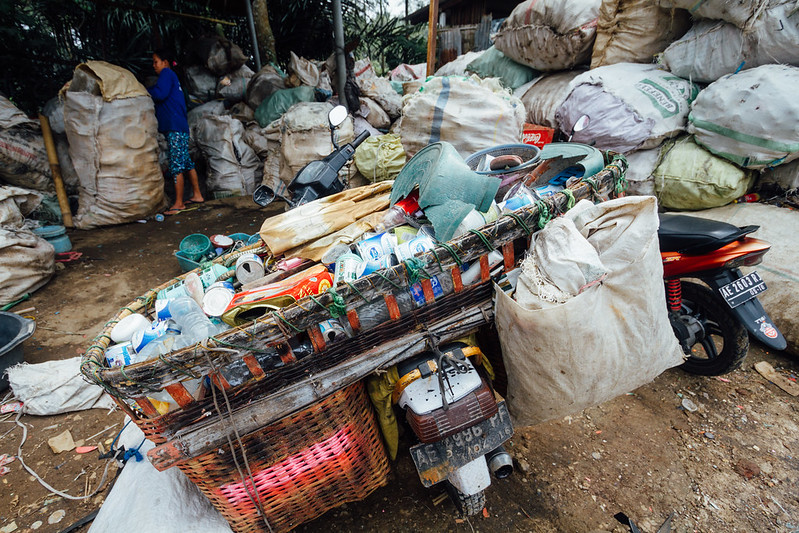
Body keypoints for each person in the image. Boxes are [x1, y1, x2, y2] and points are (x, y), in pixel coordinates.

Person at [148, 48, 204, 215]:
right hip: (180, 126)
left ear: (165, 62)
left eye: (156, 62)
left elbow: (160, 93)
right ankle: (197, 195)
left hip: (174, 128)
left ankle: (178, 203)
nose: (154, 65)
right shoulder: (173, 77)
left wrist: (145, 91)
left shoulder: (166, 73)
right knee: (186, 162)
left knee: (176, 165)